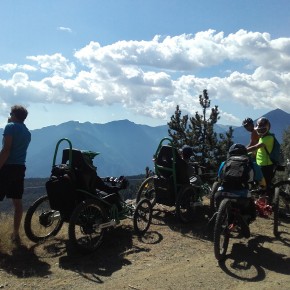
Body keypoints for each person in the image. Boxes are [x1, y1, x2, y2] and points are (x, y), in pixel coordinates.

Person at [214, 143, 266, 233]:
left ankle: (220, 218)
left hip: (221, 194)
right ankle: (244, 221)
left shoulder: (225, 163)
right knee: (251, 210)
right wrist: (262, 188)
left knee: (219, 204)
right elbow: (262, 182)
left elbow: (219, 178)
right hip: (241, 197)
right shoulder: (251, 164)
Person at [0, 105, 31, 244]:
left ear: (13, 114)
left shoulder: (10, 127)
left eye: (11, 113)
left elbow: (6, 150)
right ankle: (15, 233)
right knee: (17, 201)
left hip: (6, 167)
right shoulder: (27, 132)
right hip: (20, 168)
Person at [247, 117, 275, 199]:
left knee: (264, 187)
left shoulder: (268, 138)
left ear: (268, 128)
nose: (261, 131)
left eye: (263, 129)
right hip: (260, 164)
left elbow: (256, 147)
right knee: (260, 184)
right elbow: (258, 150)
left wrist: (242, 150)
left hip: (266, 165)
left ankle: (269, 205)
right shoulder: (263, 137)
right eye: (259, 130)